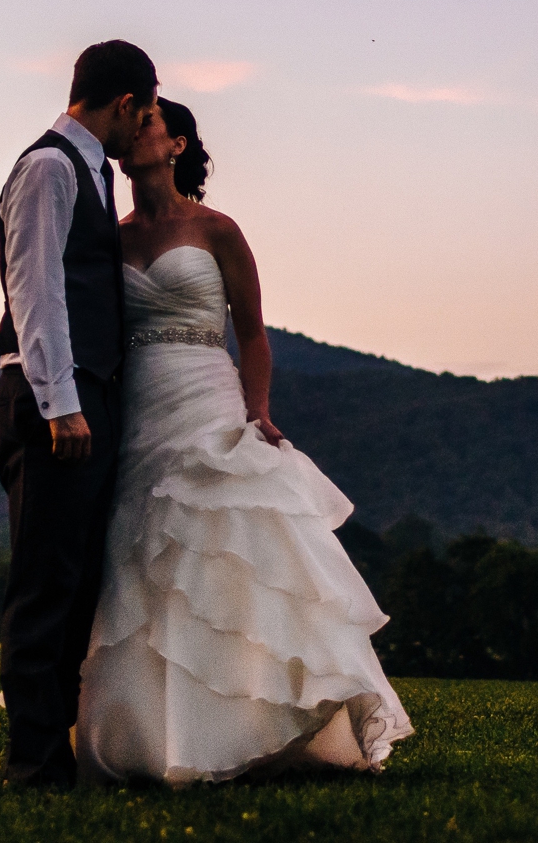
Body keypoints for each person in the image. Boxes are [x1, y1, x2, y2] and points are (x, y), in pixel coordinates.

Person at [77, 98, 412, 784]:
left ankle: (259, 724)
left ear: (178, 146)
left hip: (207, 398)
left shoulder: (217, 230)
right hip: (138, 407)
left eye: (151, 125)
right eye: (133, 124)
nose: (138, 133)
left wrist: (257, 407)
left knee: (230, 557)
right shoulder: (111, 237)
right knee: (143, 560)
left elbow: (254, 333)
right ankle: (152, 735)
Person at [0, 40, 157, 790]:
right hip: (57, 397)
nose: (145, 127)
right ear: (124, 104)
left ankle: (61, 753)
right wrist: (62, 405)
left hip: (91, 394)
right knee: (44, 584)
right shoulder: (51, 167)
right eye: (145, 112)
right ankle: (33, 767)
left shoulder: (89, 172)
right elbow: (36, 291)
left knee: (78, 581)